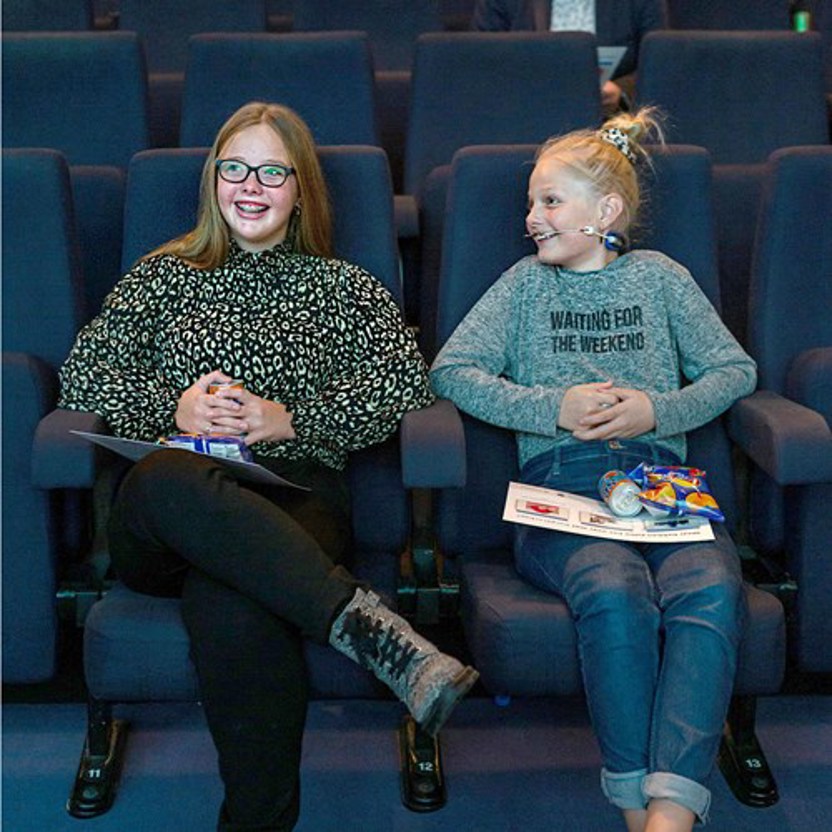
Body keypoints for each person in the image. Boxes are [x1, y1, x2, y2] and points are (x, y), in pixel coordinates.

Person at [58, 101, 478, 832]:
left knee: (237, 597)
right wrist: (175, 409)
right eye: (235, 168)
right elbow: (84, 375)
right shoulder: (163, 276)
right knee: (166, 476)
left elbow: (404, 383)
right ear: (213, 180)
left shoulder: (341, 287)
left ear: (300, 188)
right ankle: (369, 630)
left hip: (295, 501)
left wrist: (292, 419)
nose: (250, 186)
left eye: (272, 171)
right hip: (165, 510)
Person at [430, 107, 756, 831]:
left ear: (605, 210)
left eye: (550, 201)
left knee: (708, 591)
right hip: (562, 483)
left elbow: (734, 369)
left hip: (659, 480)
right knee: (614, 591)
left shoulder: (660, 279)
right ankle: (638, 804)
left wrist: (656, 411)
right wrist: (554, 406)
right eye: (530, 202)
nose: (532, 217)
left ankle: (670, 809)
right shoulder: (522, 287)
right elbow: (452, 371)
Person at [471, 0, 668, 112]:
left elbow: (659, 62)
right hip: (522, 113)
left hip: (611, 121)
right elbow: (482, 61)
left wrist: (621, 91)